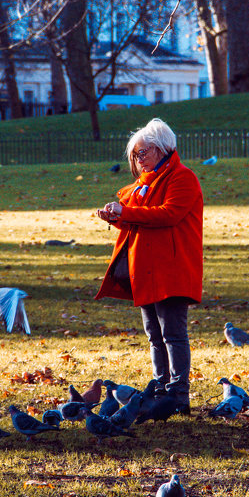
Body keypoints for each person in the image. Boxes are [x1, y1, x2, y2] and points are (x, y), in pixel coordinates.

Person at [95, 118, 203, 414]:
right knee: (154, 335)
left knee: (173, 334)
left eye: (143, 153)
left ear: (162, 149)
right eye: (135, 155)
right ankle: (160, 387)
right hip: (144, 271)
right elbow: (140, 223)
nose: (137, 160)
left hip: (171, 270)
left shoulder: (182, 178)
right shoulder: (142, 186)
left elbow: (167, 215)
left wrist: (127, 212)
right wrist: (117, 218)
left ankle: (178, 396)